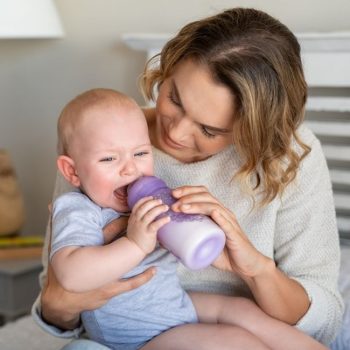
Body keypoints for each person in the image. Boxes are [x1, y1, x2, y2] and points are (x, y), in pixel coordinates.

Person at [32, 7, 344, 349]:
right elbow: (59, 297)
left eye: (209, 129)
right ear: (165, 71)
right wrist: (60, 302)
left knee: (241, 325)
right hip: (138, 329)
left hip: (210, 313)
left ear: (253, 132)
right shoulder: (102, 140)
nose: (176, 133)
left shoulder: (287, 157)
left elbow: (324, 319)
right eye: (174, 98)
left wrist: (256, 270)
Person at [48, 87, 327, 350]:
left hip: (175, 304)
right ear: (72, 172)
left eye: (141, 153)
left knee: (242, 311)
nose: (130, 169)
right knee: (231, 340)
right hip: (139, 335)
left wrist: (189, 226)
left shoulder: (144, 200)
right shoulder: (78, 208)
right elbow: (70, 276)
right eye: (109, 159)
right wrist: (135, 245)